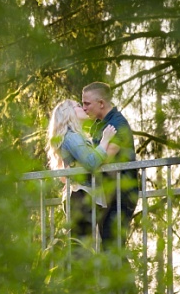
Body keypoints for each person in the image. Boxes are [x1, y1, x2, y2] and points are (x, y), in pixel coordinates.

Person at [47, 99, 117, 246]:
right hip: (81, 196)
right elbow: (91, 162)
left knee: (86, 247)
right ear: (69, 113)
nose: (83, 108)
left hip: (87, 195)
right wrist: (105, 140)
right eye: (78, 106)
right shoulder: (71, 137)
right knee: (81, 249)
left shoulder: (77, 137)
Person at [80, 82, 140, 251]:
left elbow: (104, 159)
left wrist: (87, 157)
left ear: (101, 103)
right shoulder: (97, 125)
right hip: (109, 195)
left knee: (112, 247)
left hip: (122, 195)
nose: (84, 108)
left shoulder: (118, 124)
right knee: (109, 247)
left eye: (87, 103)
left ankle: (125, 279)